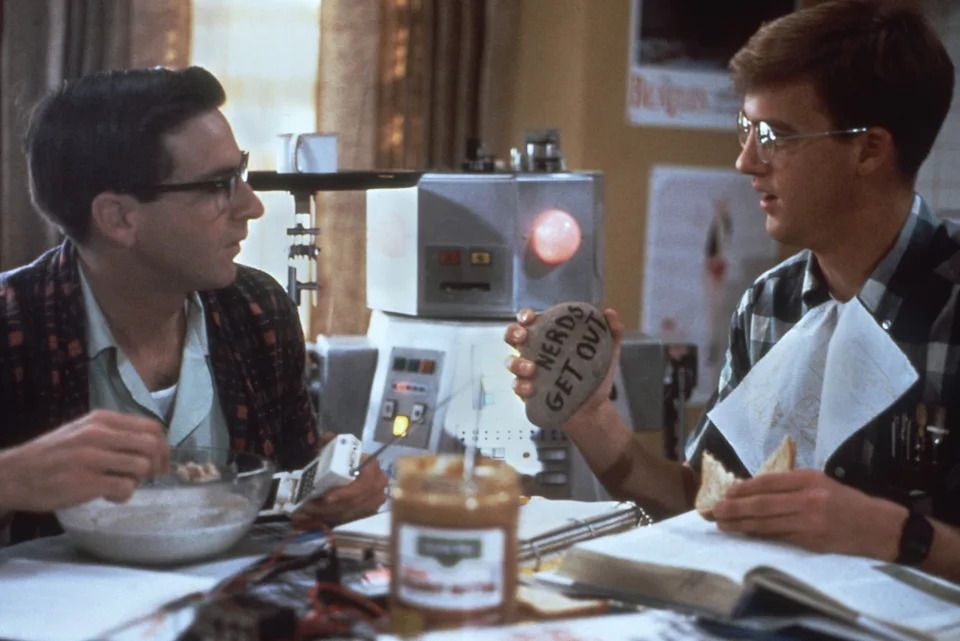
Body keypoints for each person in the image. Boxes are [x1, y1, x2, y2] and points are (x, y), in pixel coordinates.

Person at [507, 0, 960, 583]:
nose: (746, 161)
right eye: (747, 129)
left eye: (775, 136)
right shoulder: (769, 305)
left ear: (869, 150)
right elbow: (707, 500)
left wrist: (895, 534)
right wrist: (591, 418)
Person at [0, 66, 387, 545]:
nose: (252, 206)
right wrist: (10, 480)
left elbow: (296, 495)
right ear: (118, 218)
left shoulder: (257, 311)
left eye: (240, 173)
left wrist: (340, 493)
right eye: (217, 185)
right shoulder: (12, 327)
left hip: (233, 611)